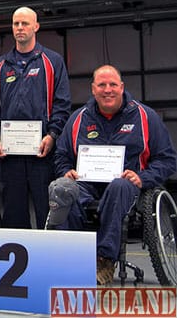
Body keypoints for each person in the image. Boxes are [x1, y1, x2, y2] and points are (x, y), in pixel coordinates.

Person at [49, 64, 177, 285]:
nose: (107, 90)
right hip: (87, 184)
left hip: (128, 187)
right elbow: (61, 155)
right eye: (101, 85)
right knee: (62, 188)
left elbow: (167, 160)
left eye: (112, 85)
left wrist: (142, 178)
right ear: (93, 89)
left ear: (122, 87)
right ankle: (70, 255)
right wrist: (65, 171)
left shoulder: (145, 117)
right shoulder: (78, 119)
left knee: (119, 186)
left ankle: (104, 259)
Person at [0, 6, 71, 229]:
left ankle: (48, 260)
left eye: (25, 23)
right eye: (16, 24)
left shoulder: (52, 62)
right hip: (9, 155)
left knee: (47, 211)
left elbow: (62, 104)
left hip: (43, 153)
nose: (20, 28)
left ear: (36, 27)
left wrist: (52, 136)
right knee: (13, 213)